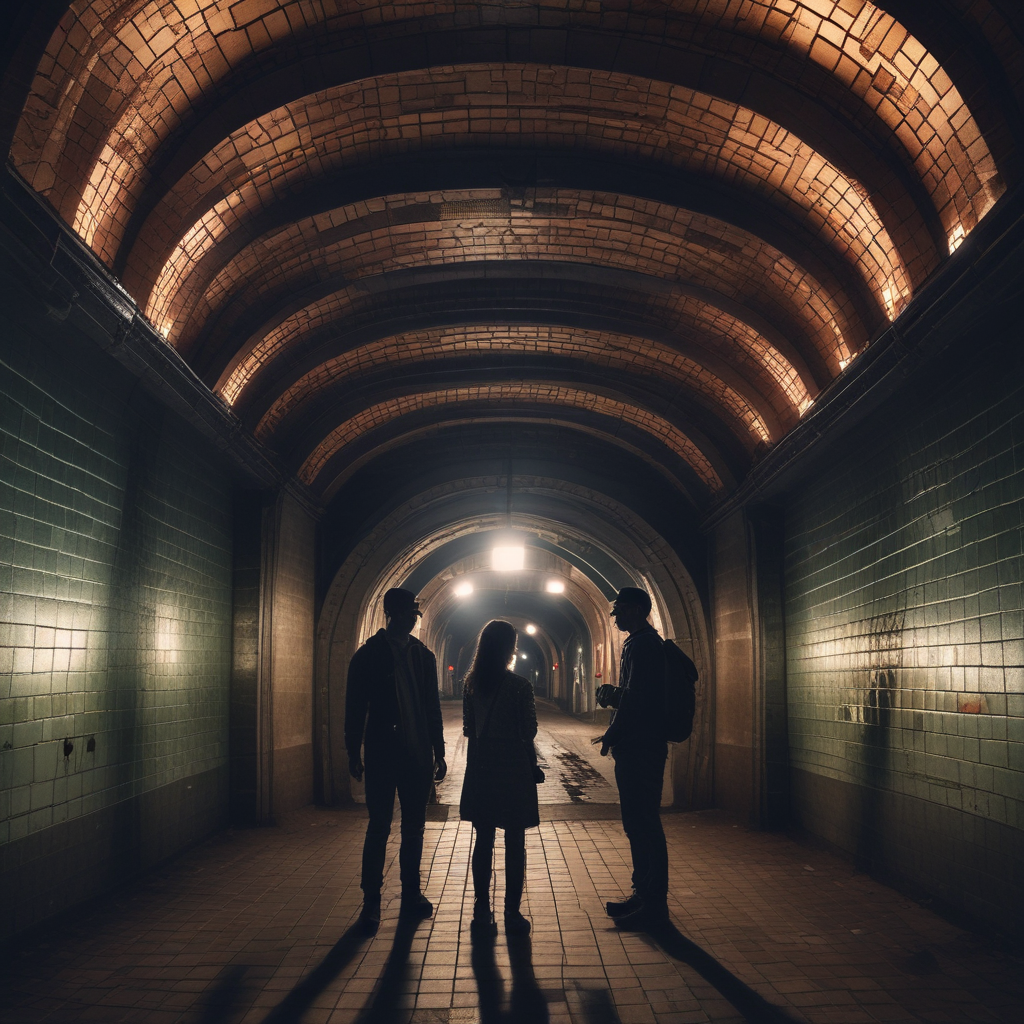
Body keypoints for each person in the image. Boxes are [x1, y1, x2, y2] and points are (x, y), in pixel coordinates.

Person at [345, 588, 447, 934]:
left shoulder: (423, 656)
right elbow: (355, 707)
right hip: (383, 753)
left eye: (414, 614)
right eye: (406, 614)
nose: (412, 620)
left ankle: (411, 894)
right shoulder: (368, 655)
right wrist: (352, 750)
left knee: (414, 828)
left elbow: (432, 707)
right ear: (391, 613)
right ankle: (371, 901)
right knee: (379, 827)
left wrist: (439, 750)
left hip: (417, 755)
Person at [592, 586, 669, 930]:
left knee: (644, 824)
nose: (616, 617)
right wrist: (616, 695)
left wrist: (612, 733)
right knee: (638, 824)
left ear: (637, 609)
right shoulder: (641, 643)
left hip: (641, 747)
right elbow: (637, 695)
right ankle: (643, 895)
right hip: (642, 745)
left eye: (620, 610)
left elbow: (637, 699)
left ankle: (653, 904)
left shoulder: (642, 645)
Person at [459, 620, 542, 938]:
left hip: (482, 768)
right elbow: (528, 730)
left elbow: (469, 729)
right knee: (514, 841)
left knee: (483, 840)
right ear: (510, 648)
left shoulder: (471, 685)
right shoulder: (520, 686)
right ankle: (512, 911)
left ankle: (482, 909)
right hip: (513, 769)